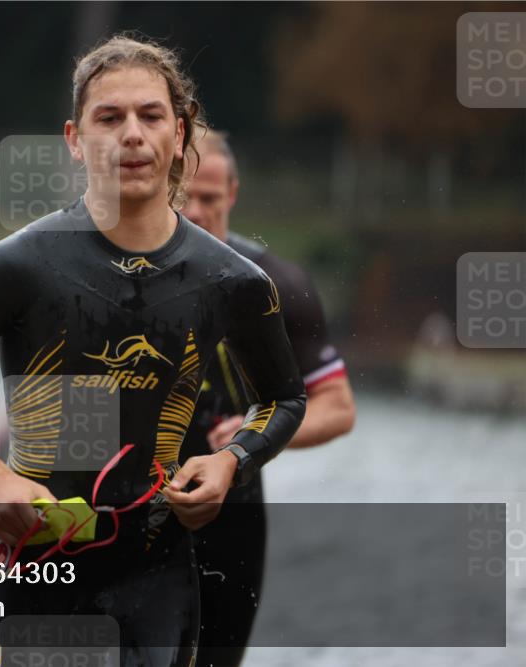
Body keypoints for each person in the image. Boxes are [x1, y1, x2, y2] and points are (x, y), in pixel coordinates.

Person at [0, 36, 306, 666]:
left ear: (180, 133)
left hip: (158, 575)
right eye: (109, 118)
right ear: (75, 140)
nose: (131, 134)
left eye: (150, 115)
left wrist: (232, 463)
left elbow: (285, 398)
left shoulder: (230, 281)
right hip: (36, 569)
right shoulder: (18, 266)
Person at [178, 129, 356, 667]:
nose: (197, 211)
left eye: (209, 198)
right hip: (132, 501)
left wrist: (250, 439)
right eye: (183, 195)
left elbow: (337, 407)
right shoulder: (117, 278)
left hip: (232, 503)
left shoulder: (275, 285)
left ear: (232, 194)